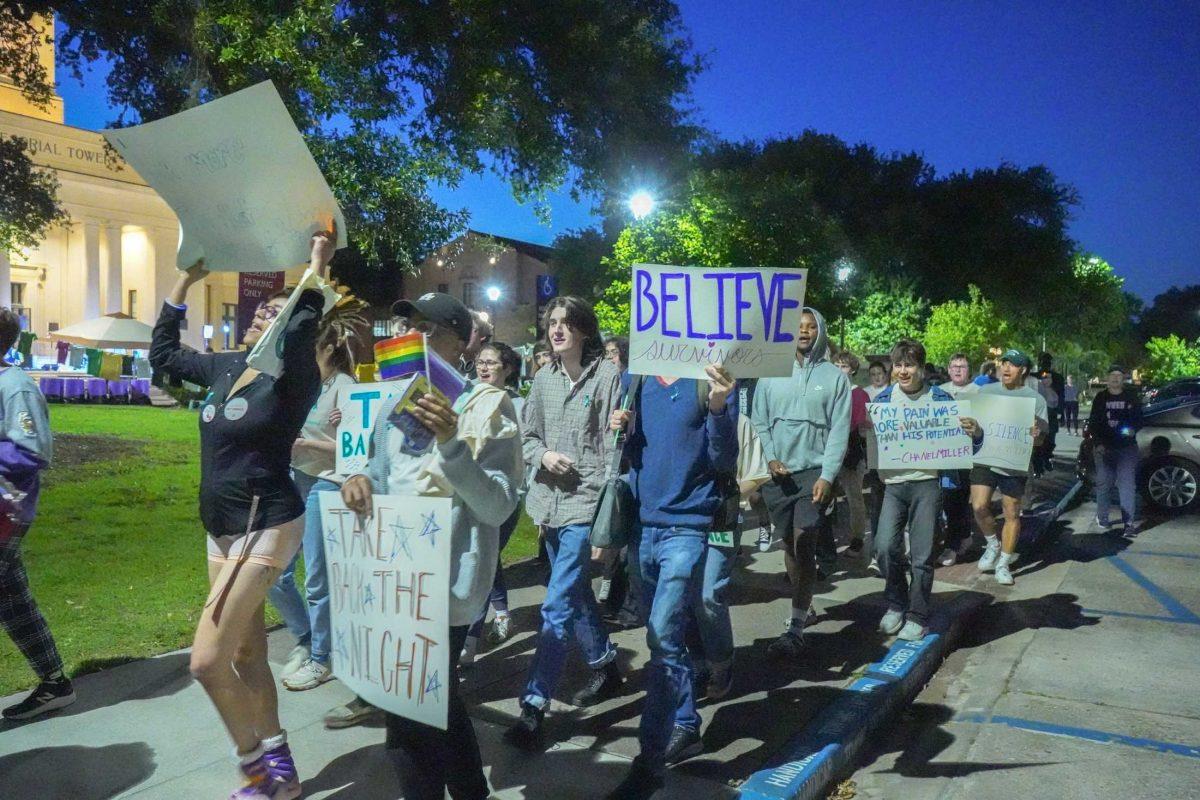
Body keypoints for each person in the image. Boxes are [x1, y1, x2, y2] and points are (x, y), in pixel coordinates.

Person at [149, 229, 336, 799]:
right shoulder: (226, 367)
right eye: (261, 311)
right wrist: (185, 279)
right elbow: (162, 355)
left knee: (207, 662)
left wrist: (316, 266)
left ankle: (256, 771)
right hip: (221, 527)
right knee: (250, 653)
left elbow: (304, 320)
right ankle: (283, 772)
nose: (262, 317)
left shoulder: (293, 378)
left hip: (268, 518)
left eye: (274, 314)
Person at [338, 291, 523, 800]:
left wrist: (451, 446)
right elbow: (378, 473)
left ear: (458, 342)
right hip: (395, 583)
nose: (412, 336)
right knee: (421, 707)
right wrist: (359, 483)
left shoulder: (486, 407)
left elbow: (498, 506)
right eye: (407, 326)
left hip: (444, 589)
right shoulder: (395, 403)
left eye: (427, 327)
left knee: (414, 711)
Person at [604, 363, 738, 798]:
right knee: (661, 636)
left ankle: (651, 759)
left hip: (688, 527)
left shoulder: (710, 381)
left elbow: (724, 459)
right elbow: (626, 453)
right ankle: (685, 720)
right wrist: (618, 428)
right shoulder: (636, 380)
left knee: (663, 636)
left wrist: (718, 408)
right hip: (642, 526)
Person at [505, 296, 624, 750]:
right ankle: (606, 663)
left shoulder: (609, 377)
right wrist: (544, 456)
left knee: (555, 604)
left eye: (566, 323)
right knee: (574, 595)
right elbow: (529, 438)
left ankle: (533, 707)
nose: (556, 330)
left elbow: (614, 449)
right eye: (551, 322)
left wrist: (607, 523)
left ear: (583, 330)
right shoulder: (542, 379)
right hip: (547, 504)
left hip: (584, 504)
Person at [266, 306, 365, 691]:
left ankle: (323, 658)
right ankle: (309, 639)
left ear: (329, 349)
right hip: (294, 479)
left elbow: (355, 453)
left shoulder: (347, 389)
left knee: (318, 578)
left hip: (327, 483)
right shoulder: (306, 385)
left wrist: (308, 442)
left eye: (312, 348)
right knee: (275, 573)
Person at [751, 308, 851, 658]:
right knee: (790, 547)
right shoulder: (769, 374)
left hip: (813, 473)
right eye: (798, 327)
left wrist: (828, 474)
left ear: (820, 332)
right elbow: (759, 421)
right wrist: (771, 456)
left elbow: (839, 430)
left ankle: (795, 626)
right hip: (778, 476)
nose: (804, 332)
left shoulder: (835, 379)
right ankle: (803, 604)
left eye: (811, 327)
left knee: (804, 537)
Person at [872, 340, 982, 640]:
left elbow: (969, 447)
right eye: (898, 365)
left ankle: (918, 614)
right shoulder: (882, 402)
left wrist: (976, 433)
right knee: (884, 547)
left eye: (909, 365)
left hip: (928, 484)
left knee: (922, 555)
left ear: (921, 368)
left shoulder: (942, 400)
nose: (902, 371)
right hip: (893, 486)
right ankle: (896, 602)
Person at [0, 308, 72, 721]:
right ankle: (55, 683)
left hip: (6, 511)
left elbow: (31, 450)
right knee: (11, 601)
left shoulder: (15, 386)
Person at [461, 341, 525, 664]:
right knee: (486, 558)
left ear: (508, 369)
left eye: (492, 363)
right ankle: (500, 614)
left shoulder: (516, 404)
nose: (483, 368)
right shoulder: (466, 396)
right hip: (468, 491)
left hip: (503, 495)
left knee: (484, 559)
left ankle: (469, 641)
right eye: (480, 362)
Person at [971, 349, 1048, 586]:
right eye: (1003, 363)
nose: (1005, 368)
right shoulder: (985, 392)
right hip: (986, 457)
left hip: (1014, 463)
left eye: (1011, 365)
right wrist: (971, 427)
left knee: (1011, 511)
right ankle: (992, 543)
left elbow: (1041, 439)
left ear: (1022, 370)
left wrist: (1036, 435)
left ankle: (1004, 563)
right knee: (979, 505)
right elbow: (976, 425)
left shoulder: (1035, 400)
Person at [1088, 365, 1142, 534]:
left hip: (1127, 448)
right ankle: (1102, 517)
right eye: (1112, 375)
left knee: (1127, 486)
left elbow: (1139, 419)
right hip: (1105, 448)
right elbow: (1093, 423)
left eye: (1119, 375)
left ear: (1123, 379)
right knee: (1104, 484)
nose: (1115, 378)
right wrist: (1098, 444)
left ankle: (1129, 523)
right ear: (1107, 378)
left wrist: (1132, 429)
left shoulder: (1131, 397)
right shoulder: (1101, 398)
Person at [938, 353, 980, 565]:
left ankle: (952, 546)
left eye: (962, 366)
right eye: (954, 366)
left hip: (968, 456)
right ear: (948, 369)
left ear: (968, 370)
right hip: (942, 455)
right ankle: (963, 537)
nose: (957, 370)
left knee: (957, 499)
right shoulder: (939, 392)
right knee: (948, 500)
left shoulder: (979, 393)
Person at [832, 350, 871, 558]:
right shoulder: (830, 391)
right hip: (830, 452)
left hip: (851, 454)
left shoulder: (859, 394)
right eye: (836, 366)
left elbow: (854, 423)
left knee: (853, 497)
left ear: (853, 369)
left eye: (844, 366)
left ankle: (857, 539)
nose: (840, 370)